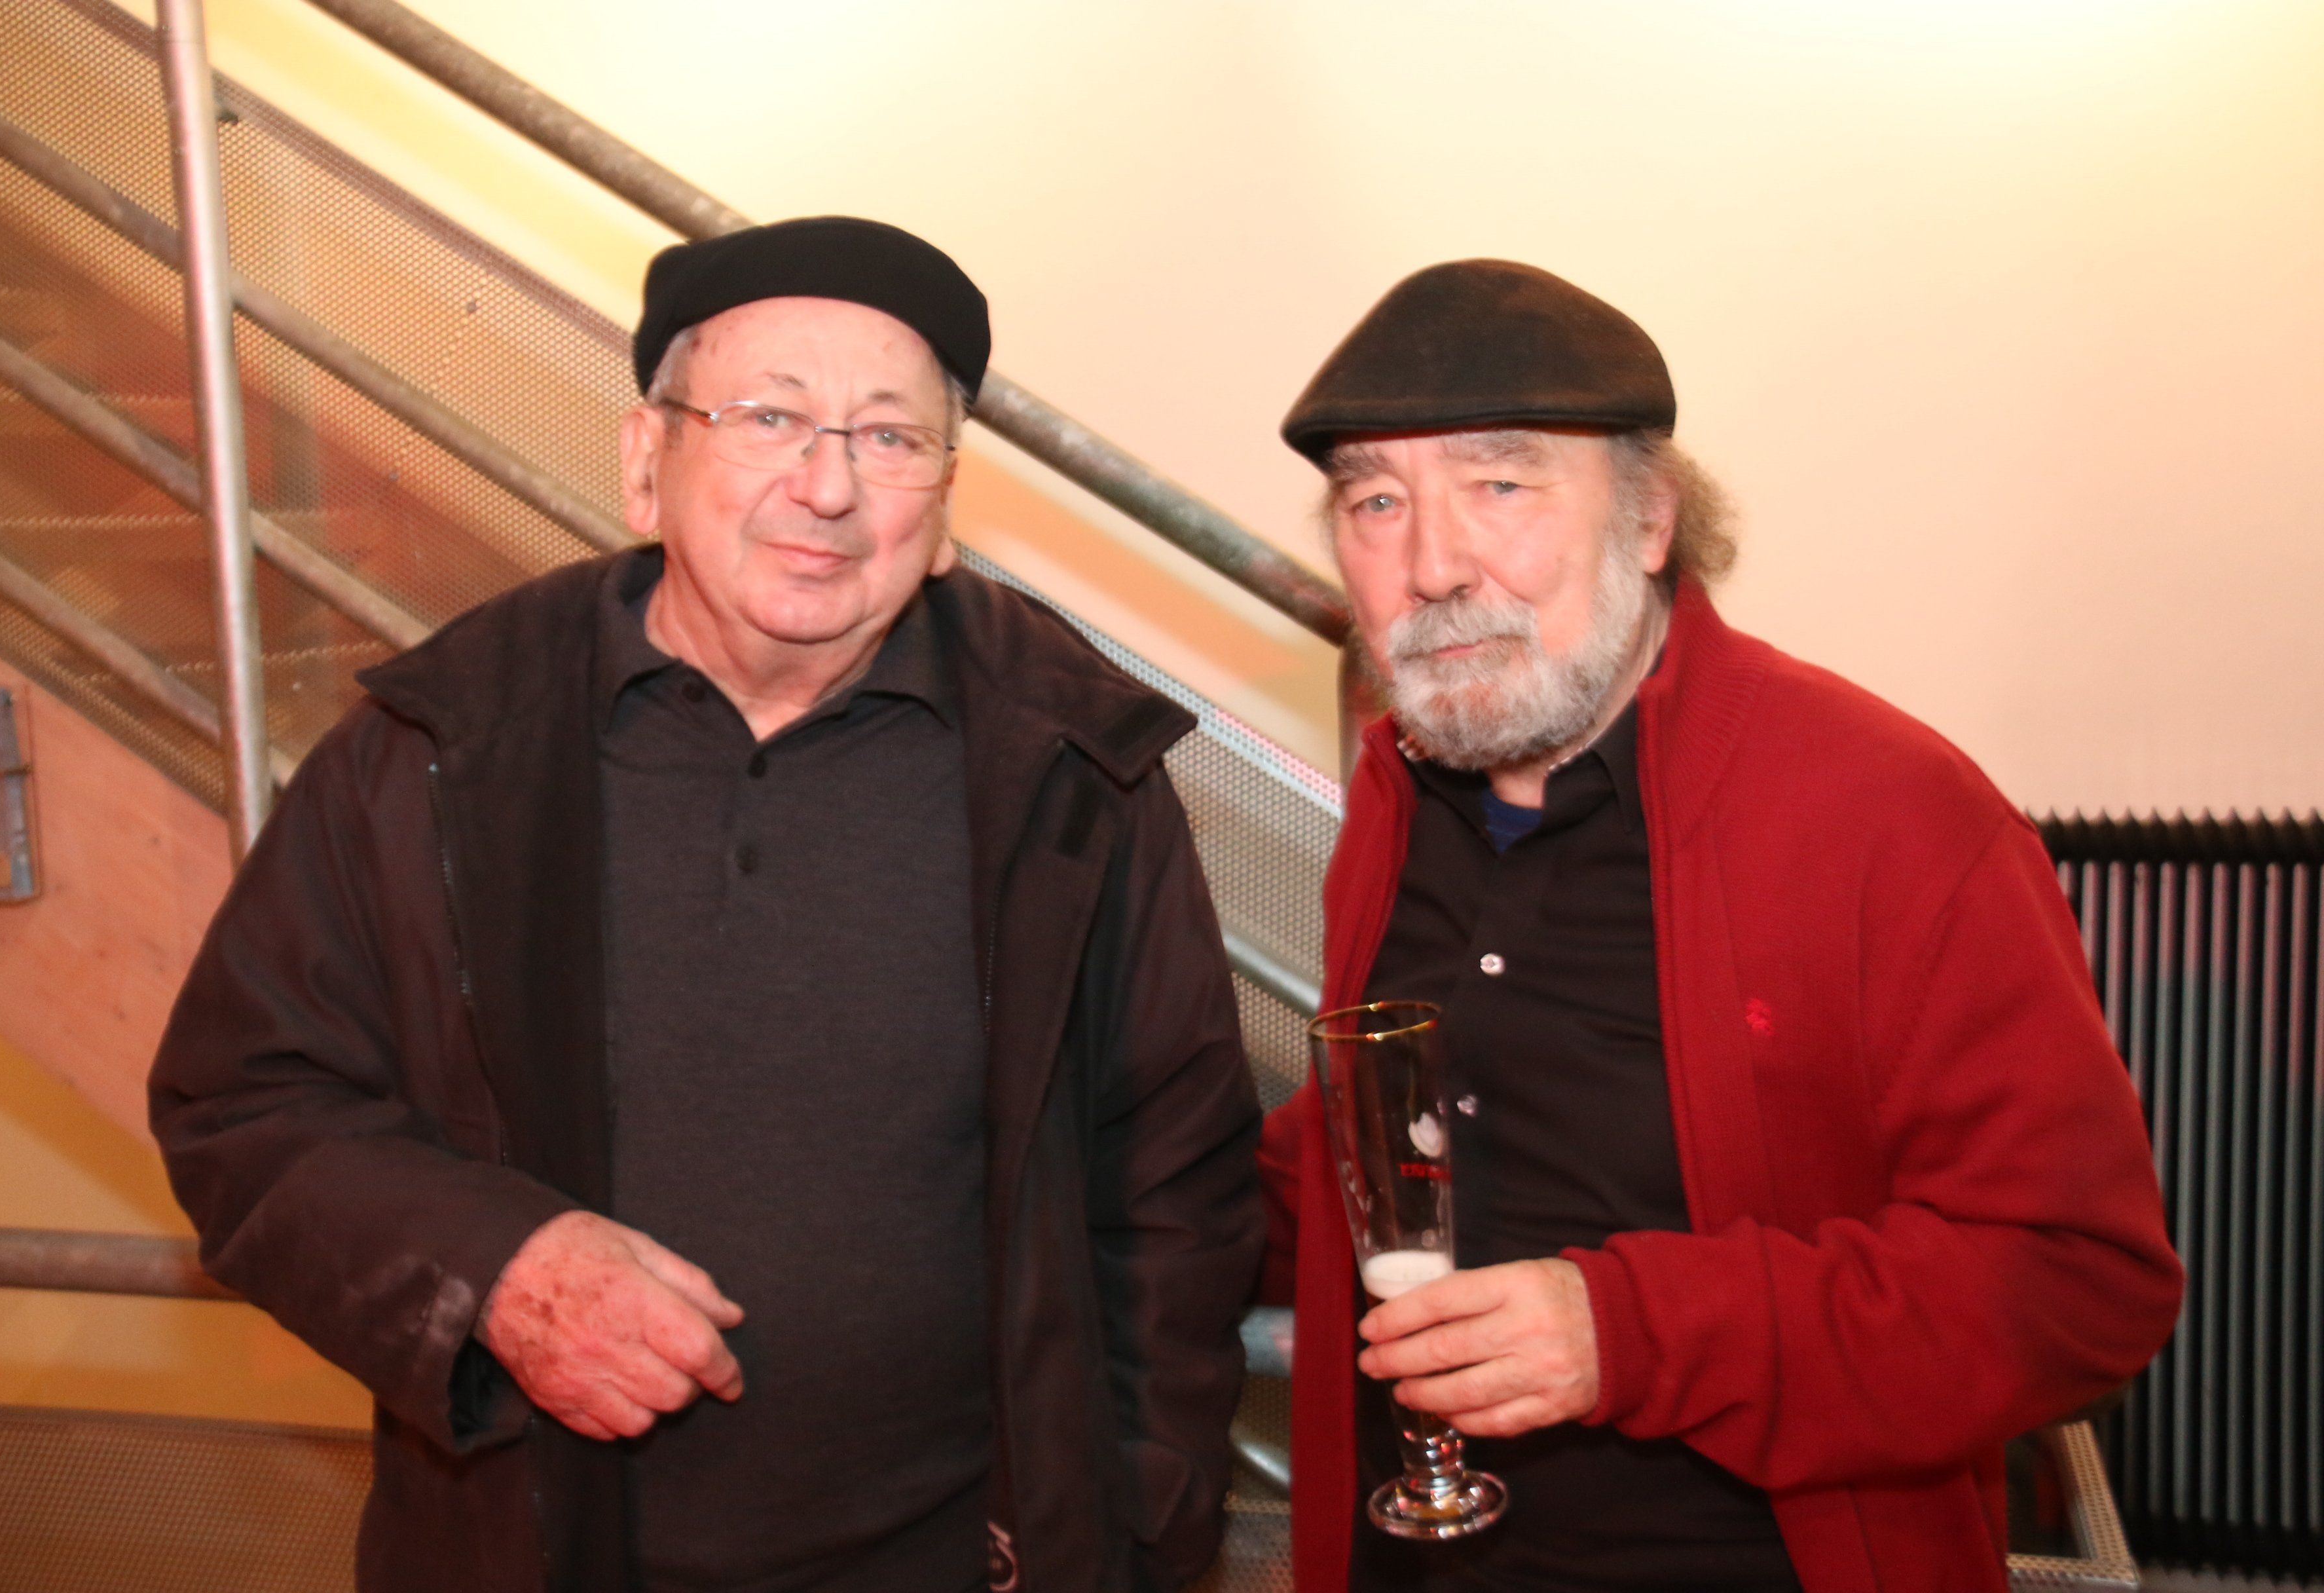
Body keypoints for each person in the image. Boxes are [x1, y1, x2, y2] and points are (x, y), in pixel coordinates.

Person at [151, 216, 1264, 1593]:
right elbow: (246, 1107)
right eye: (769, 419)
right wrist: (491, 1269)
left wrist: (1136, 1527)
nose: (828, 487)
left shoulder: (1073, 771)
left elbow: (1175, 1191)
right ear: (644, 463)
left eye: (890, 438)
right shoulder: (439, 748)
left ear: (942, 505)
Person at [1257, 259, 2181, 1592]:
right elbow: (1414, 1132)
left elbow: (2076, 1280)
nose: (1433, 565)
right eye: (1376, 502)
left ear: (1650, 520)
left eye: (1500, 485)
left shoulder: (1888, 811)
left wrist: (1628, 1332)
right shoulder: (1399, 798)